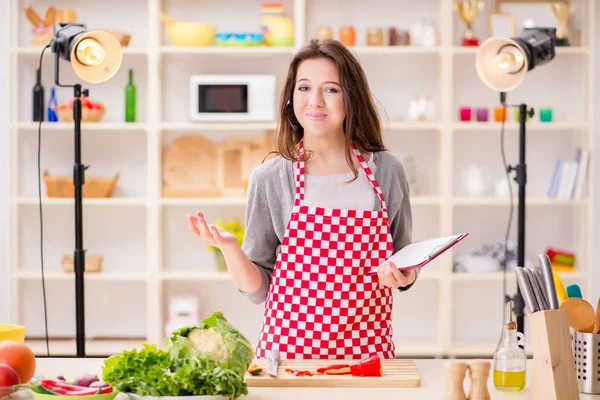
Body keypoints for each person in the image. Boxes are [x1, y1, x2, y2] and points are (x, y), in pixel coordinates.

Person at [187, 38, 417, 360]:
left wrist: (406, 273)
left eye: (332, 89)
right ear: (290, 98)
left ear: (352, 97)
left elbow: (406, 256)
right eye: (304, 88)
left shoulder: (387, 170)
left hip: (367, 354)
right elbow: (259, 291)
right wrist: (230, 247)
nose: (316, 102)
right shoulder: (269, 178)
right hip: (288, 355)